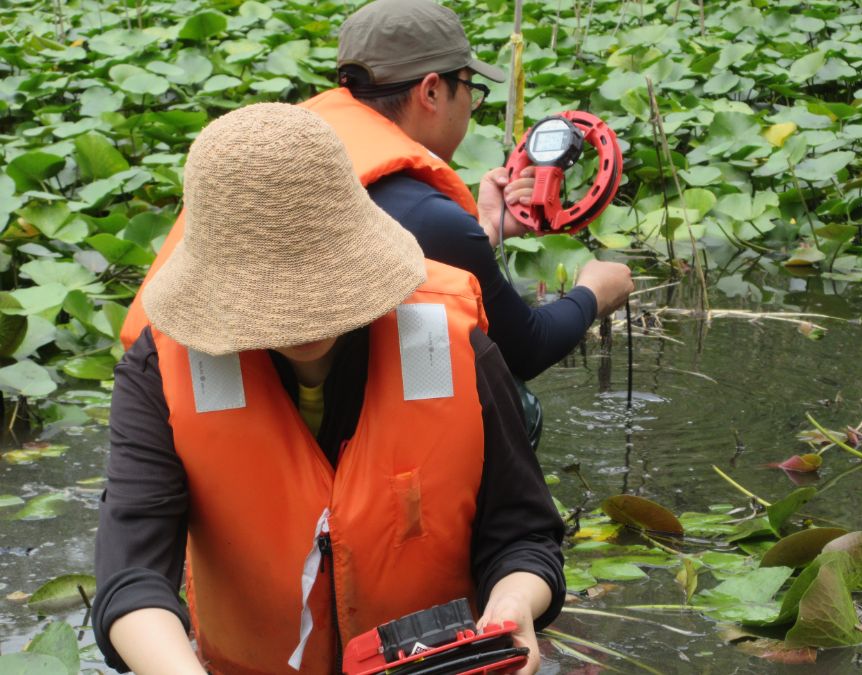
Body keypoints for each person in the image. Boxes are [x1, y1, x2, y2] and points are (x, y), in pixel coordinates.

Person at [92, 103, 565, 675]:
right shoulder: (161, 369)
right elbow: (132, 580)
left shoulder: (446, 339)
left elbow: (524, 535)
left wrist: (514, 604)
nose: (306, 324)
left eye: (322, 293)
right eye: (274, 304)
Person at [119, 0, 634, 385]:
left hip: (178, 409)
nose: (470, 108)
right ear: (432, 90)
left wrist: (483, 224)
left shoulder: (269, 160)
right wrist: (593, 292)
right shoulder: (430, 219)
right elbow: (524, 350)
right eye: (469, 90)